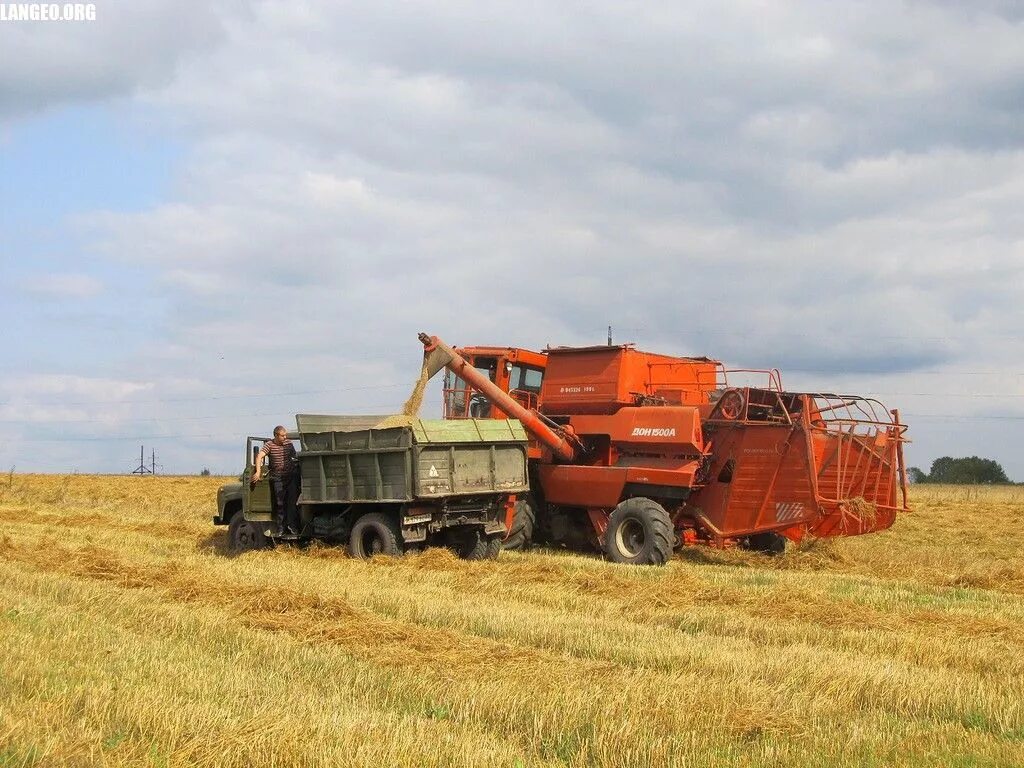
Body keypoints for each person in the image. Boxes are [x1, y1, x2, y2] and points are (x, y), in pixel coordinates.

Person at [253, 425, 301, 535]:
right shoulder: (269, 445)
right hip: (278, 478)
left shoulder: (289, 444)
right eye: (282, 436)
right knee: (280, 504)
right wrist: (258, 471)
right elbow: (259, 456)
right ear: (276, 435)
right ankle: (280, 529)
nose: (285, 437)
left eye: (285, 435)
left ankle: (292, 527)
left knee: (292, 502)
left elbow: (295, 456)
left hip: (291, 476)